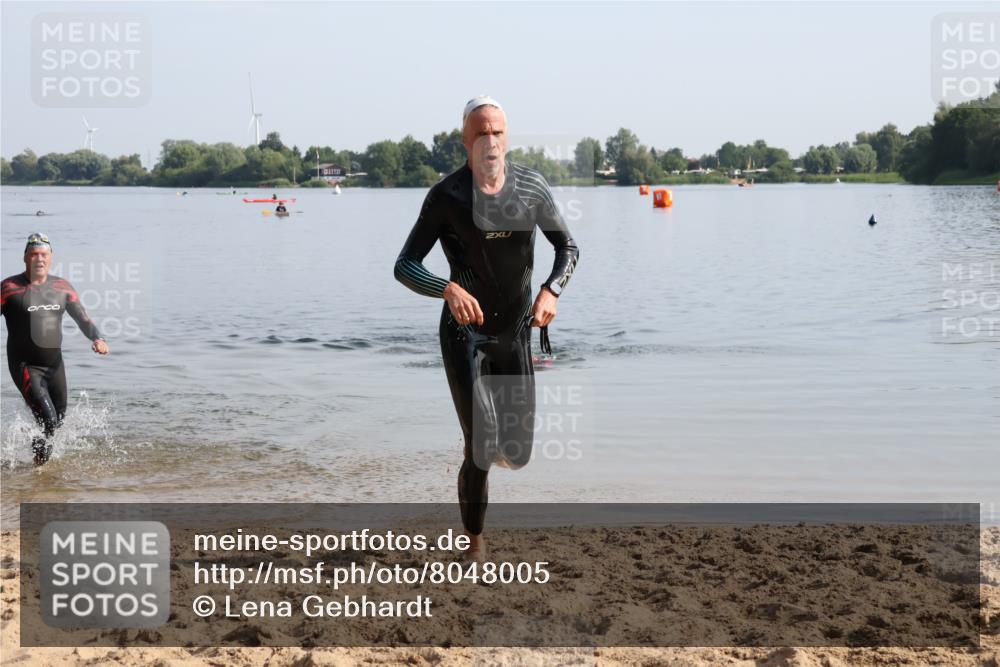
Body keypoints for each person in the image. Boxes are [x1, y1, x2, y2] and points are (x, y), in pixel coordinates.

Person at [394, 97, 579, 557]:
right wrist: (447, 289)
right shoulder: (447, 196)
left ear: (507, 137)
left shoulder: (531, 187)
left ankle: (492, 447)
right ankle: (474, 541)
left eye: (497, 132)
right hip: (464, 335)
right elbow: (404, 265)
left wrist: (552, 290)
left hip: (514, 331)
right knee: (480, 444)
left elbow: (568, 248)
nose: (490, 141)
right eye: (481, 133)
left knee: (516, 454)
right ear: (466, 141)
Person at [1, 233, 109, 465]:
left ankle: (36, 462)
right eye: (34, 254)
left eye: (44, 254)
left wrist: (97, 338)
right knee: (48, 419)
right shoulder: (9, 288)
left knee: (57, 421)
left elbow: (83, 318)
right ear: (25, 258)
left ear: (51, 258)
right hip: (25, 365)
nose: (39, 259)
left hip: (54, 365)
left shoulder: (62, 287)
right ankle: (38, 469)